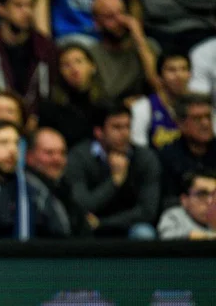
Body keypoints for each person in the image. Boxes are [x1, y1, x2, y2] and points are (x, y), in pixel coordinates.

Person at [67, 101, 162, 238]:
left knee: (144, 233)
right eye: (117, 127)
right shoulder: (79, 157)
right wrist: (114, 181)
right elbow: (82, 205)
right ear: (99, 132)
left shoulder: (145, 158)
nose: (125, 134)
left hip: (128, 225)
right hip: (88, 228)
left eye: (127, 127)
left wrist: (103, 223)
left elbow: (147, 210)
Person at [158, 170, 216, 240]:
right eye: (202, 195)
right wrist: (190, 236)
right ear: (184, 199)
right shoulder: (174, 216)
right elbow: (167, 239)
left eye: (213, 195)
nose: (209, 201)